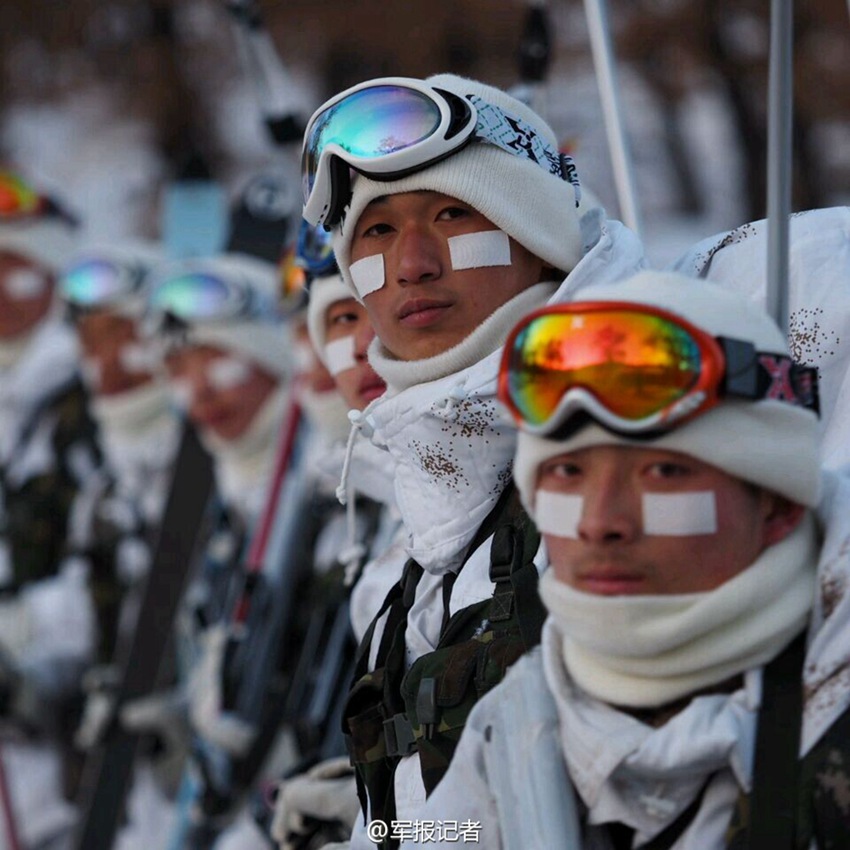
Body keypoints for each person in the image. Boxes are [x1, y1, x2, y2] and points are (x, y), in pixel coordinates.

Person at [299, 73, 647, 848]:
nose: (413, 263)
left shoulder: (649, 443)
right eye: (376, 232)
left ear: (538, 229)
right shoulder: (416, 525)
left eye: (453, 214)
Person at [402, 270, 850, 849]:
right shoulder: (524, 708)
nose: (599, 522)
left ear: (778, 506)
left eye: (662, 472)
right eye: (567, 472)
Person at [0, 167, 107, 848]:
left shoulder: (90, 392)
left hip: (61, 743)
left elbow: (114, 554)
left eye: (15, 267)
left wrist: (18, 631)